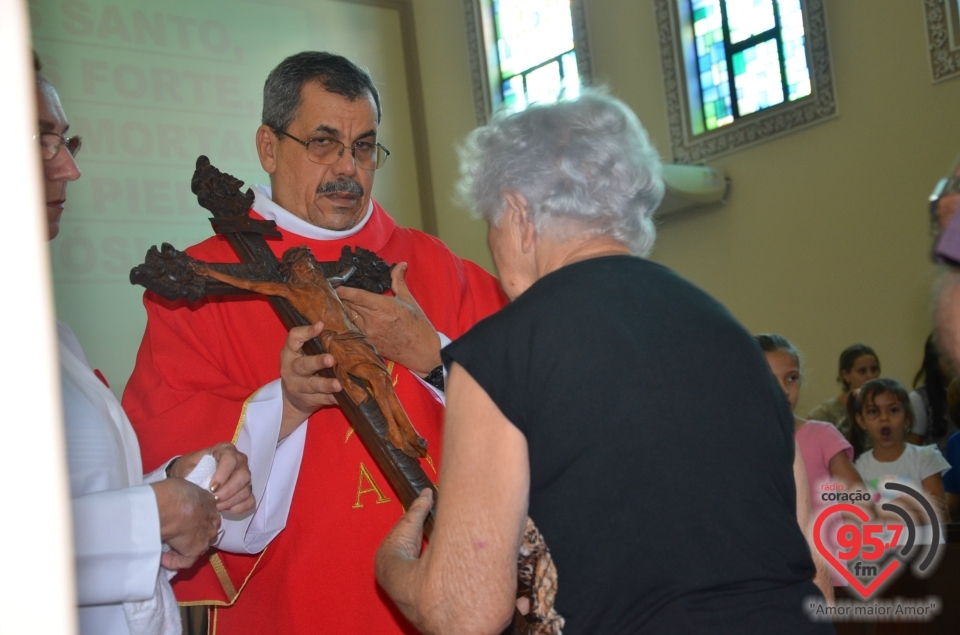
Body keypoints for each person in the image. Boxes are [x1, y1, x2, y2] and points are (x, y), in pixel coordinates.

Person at [375, 91, 832, 635]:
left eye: (491, 222)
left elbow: (462, 612)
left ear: (518, 212)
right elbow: (812, 564)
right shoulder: (732, 336)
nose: (493, 244)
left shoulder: (503, 351)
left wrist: (395, 570)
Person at [121, 51, 506, 634]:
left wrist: (434, 355)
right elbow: (168, 452)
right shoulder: (202, 284)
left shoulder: (439, 268)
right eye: (323, 143)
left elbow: (534, 408)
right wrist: (285, 406)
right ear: (269, 147)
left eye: (364, 146)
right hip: (290, 603)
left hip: (445, 592)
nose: (347, 169)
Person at [33, 54, 280, 635]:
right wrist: (153, 515)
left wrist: (171, 480)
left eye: (68, 142)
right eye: (44, 140)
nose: (70, 168)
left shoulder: (48, 331)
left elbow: (74, 498)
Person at [757, 334, 871, 588]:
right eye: (770, 379)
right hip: (771, 575)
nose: (784, 390)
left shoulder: (821, 434)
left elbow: (857, 499)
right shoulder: (740, 444)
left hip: (831, 572)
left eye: (792, 378)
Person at [850, 378, 951, 524]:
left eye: (893, 410)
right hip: (880, 545)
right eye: (873, 411)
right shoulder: (858, 467)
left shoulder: (926, 458)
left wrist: (881, 511)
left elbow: (938, 513)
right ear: (861, 421)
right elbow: (859, 517)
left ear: (908, 418)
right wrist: (910, 506)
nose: (884, 418)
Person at [808, 344, 881, 442]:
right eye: (862, 371)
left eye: (874, 370)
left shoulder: (884, 409)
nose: (870, 376)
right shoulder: (824, 414)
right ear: (846, 375)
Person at [909, 333, 957, 451]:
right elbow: (914, 448)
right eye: (948, 360)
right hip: (941, 467)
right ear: (934, 362)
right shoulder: (920, 399)